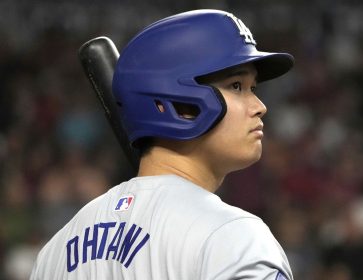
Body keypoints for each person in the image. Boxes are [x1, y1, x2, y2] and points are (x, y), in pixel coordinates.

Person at [30, 9, 295, 279]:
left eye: (254, 89)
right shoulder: (233, 237)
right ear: (176, 104)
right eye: (236, 86)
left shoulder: (55, 252)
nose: (260, 107)